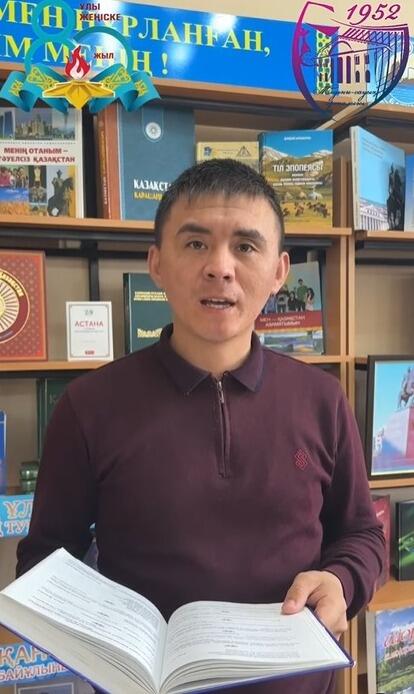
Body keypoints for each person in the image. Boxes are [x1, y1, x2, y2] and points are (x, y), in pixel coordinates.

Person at [16, 159, 384, 694]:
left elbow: (361, 534)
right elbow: (45, 557)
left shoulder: (323, 399)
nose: (220, 267)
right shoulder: (88, 406)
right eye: (195, 244)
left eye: (246, 246)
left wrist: (341, 580)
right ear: (156, 264)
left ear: (279, 272)